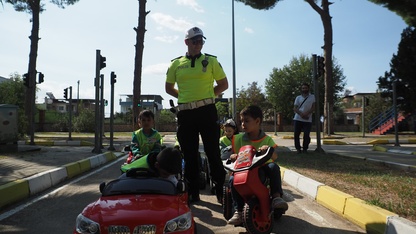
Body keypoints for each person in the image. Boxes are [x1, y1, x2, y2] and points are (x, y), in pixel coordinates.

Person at [165, 26, 229, 203]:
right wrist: (186, 99)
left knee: (212, 151)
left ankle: (219, 188)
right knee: (190, 154)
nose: (198, 44)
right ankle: (193, 191)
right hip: (185, 113)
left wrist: (206, 96)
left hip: (207, 111)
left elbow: (223, 85)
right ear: (186, 42)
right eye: (195, 41)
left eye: (201, 41)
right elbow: (168, 88)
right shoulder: (175, 64)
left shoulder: (211, 61)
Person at [227, 105, 288, 225]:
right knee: (232, 179)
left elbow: (275, 156)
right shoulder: (238, 139)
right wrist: (233, 156)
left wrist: (268, 150)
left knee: (273, 167)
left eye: (246, 121)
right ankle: (238, 210)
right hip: (244, 170)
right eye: (241, 121)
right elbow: (232, 155)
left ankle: (276, 197)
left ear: (257, 121)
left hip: (262, 169)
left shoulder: (267, 139)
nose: (243, 124)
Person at [293, 83, 316, 154]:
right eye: (303, 88)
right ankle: (298, 149)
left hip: (308, 119)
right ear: (301, 89)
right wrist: (301, 114)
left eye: (305, 88)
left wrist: (306, 113)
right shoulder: (298, 98)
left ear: (308, 89)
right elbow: (295, 108)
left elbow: (313, 107)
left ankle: (305, 148)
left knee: (306, 134)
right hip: (298, 119)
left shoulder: (312, 97)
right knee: (296, 134)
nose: (304, 89)